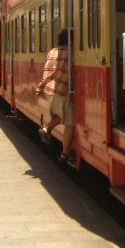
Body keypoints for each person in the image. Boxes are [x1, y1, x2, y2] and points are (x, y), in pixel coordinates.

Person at [34, 29, 74, 163]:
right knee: (69, 122)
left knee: (59, 116)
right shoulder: (71, 53)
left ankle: (47, 131)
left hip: (49, 89)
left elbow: (48, 72)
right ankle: (64, 153)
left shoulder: (53, 52)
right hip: (60, 90)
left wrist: (40, 86)